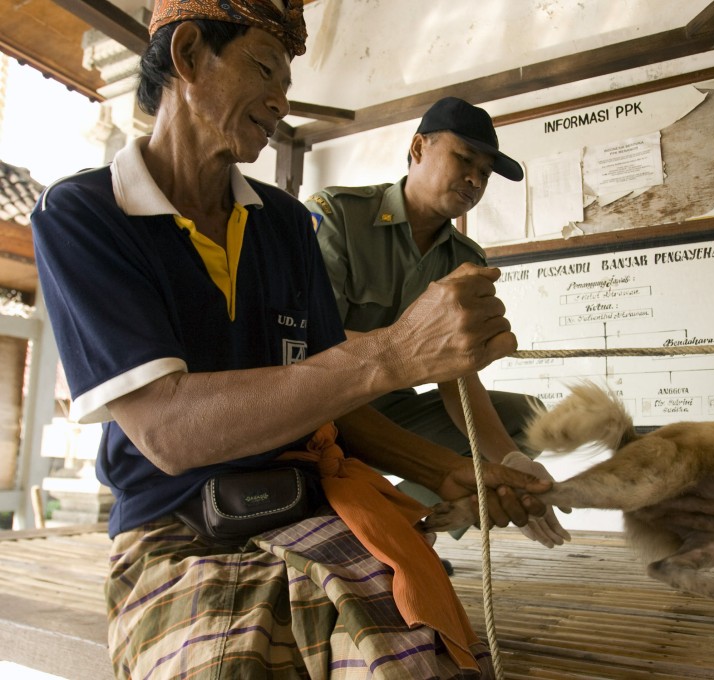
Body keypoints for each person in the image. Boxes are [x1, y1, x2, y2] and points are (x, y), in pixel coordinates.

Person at [30, 3, 552, 678]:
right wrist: (390, 354)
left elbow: (329, 405)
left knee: (417, 664)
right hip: (177, 531)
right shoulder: (84, 216)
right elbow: (171, 431)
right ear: (188, 54)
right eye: (264, 68)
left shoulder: (284, 223)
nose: (281, 99)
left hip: (309, 501)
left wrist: (447, 472)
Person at [305, 97, 570, 551]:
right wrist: (411, 348)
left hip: (392, 409)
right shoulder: (338, 215)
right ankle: (360, 536)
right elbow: (310, 341)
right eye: (464, 159)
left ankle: (409, 532)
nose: (474, 179)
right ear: (418, 148)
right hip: (323, 403)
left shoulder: (466, 261)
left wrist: (509, 459)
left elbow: (458, 382)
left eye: (485, 173)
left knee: (528, 413)